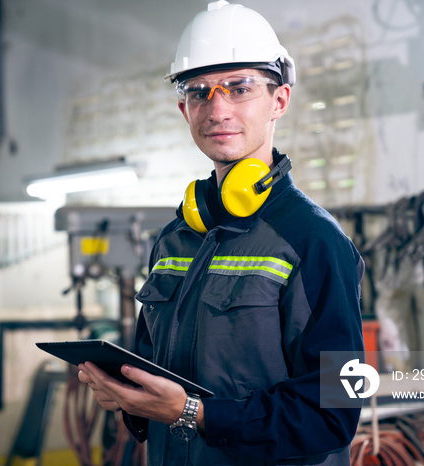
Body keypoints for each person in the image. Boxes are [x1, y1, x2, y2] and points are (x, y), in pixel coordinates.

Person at [78, 1, 365, 464]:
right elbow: (153, 371)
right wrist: (126, 396)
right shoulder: (173, 239)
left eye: (239, 87)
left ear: (280, 100)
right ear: (182, 108)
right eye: (199, 92)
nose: (217, 108)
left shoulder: (315, 242)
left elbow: (334, 410)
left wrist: (196, 413)